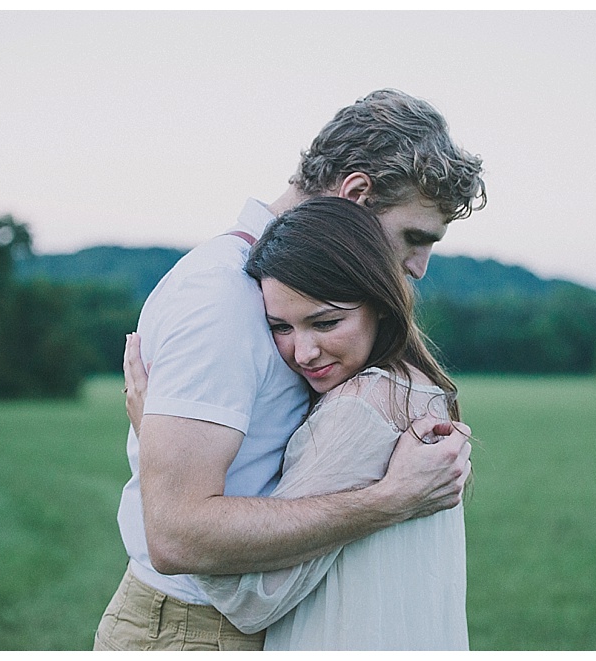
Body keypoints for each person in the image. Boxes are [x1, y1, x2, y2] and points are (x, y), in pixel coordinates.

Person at [94, 89, 485, 651]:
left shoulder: (291, 293)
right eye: (414, 237)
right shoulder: (224, 297)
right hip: (195, 630)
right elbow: (177, 534)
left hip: (264, 618)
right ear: (356, 194)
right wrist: (389, 500)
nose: (418, 266)